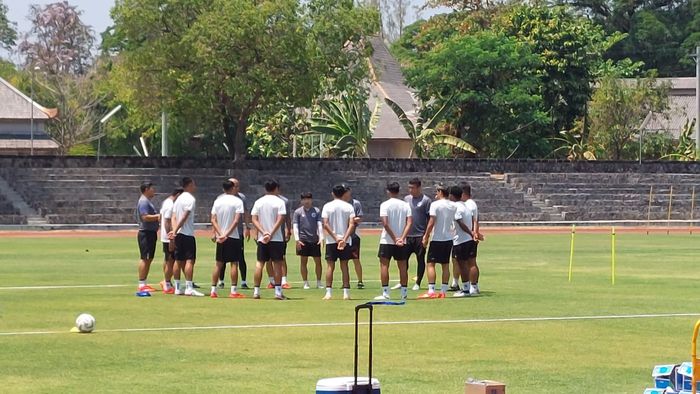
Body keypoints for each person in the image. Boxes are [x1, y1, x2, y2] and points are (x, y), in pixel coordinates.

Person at [375, 182, 412, 301]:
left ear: (388, 191)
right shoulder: (405, 205)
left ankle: (386, 292)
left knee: (384, 265)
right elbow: (409, 222)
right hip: (402, 241)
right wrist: (401, 237)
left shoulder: (385, 205)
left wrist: (395, 237)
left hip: (387, 240)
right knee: (402, 266)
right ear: (398, 191)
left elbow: (385, 223)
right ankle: (404, 292)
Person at [251, 180, 288, 300]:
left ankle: (256, 291)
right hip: (276, 238)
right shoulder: (280, 202)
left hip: (263, 238)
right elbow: (280, 219)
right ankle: (278, 292)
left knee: (259, 264)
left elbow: (254, 219)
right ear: (276, 188)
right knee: (277, 264)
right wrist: (271, 233)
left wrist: (263, 232)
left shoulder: (258, 202)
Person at [418, 184, 456, 299]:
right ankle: (443, 291)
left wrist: (426, 235)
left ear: (440, 192)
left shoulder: (435, 205)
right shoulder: (453, 205)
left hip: (437, 238)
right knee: (445, 265)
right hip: (448, 238)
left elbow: (431, 221)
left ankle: (431, 290)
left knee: (431, 264)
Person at [209, 180, 245, 299]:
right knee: (234, 263)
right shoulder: (237, 201)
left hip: (221, 236)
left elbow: (213, 219)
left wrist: (221, 233)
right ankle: (233, 290)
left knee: (218, 264)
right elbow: (236, 220)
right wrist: (227, 234)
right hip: (233, 236)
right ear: (232, 188)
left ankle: (213, 290)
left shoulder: (218, 201)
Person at [169, 177, 203, 296]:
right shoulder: (190, 199)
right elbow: (184, 217)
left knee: (178, 261)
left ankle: (178, 287)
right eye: (193, 184)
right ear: (189, 185)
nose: (195, 186)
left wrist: (174, 231)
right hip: (187, 233)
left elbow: (173, 216)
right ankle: (189, 287)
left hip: (178, 234)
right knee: (190, 260)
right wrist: (176, 230)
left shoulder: (178, 199)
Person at [321, 184, 356, 300]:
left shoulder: (327, 206)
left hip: (332, 240)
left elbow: (325, 224)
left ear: (333, 193)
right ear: (344, 194)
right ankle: (346, 293)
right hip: (345, 240)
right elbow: (351, 224)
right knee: (345, 266)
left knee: (330, 266)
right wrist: (344, 239)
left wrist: (336, 238)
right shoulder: (349, 207)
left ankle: (328, 293)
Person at [217, 178, 251, 289]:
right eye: (235, 186)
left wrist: (247, 227)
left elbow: (245, 213)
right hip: (222, 233)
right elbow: (215, 217)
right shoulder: (220, 199)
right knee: (222, 259)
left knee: (239, 258)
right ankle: (221, 280)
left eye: (238, 186)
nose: (237, 188)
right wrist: (215, 232)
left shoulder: (241, 198)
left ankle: (243, 281)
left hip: (238, 232)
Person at [399, 178, 431, 291]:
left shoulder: (426, 200)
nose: (410, 190)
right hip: (407, 235)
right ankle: (402, 281)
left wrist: (426, 236)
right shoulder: (406, 199)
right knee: (403, 259)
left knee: (420, 259)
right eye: (409, 187)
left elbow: (429, 219)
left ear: (418, 187)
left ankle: (418, 282)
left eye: (412, 188)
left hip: (419, 235)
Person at [293, 192, 324, 289]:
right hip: (303, 240)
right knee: (303, 261)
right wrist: (297, 239)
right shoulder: (298, 212)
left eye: (308, 199)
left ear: (311, 200)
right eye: (304, 199)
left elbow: (319, 225)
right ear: (301, 200)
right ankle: (305, 282)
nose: (307, 201)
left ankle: (319, 282)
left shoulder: (316, 211)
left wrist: (321, 237)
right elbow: (295, 226)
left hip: (314, 240)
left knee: (318, 261)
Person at [450, 185, 475, 298]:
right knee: (465, 264)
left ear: (451, 195)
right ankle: (467, 287)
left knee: (462, 265)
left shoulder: (457, 207)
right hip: (467, 240)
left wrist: (470, 232)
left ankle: (465, 290)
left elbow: (460, 222)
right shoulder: (465, 206)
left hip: (461, 240)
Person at [136, 182, 160, 293]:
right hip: (145, 233)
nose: (153, 190)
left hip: (150, 232)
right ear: (146, 189)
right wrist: (159, 216)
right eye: (152, 188)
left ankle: (144, 282)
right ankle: (141, 284)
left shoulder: (147, 201)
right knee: (145, 258)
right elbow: (145, 217)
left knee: (149, 258)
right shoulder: (143, 202)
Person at [159, 187, 183, 294]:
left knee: (168, 259)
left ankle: (166, 281)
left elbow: (160, 217)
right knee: (171, 261)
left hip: (166, 236)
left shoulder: (166, 202)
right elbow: (167, 221)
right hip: (169, 237)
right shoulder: (170, 204)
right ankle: (167, 283)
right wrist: (171, 237)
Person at [342, 185, 364, 289]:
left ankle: (360, 280)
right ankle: (345, 282)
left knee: (356, 259)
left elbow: (360, 218)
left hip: (354, 235)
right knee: (343, 261)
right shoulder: (340, 204)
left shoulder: (356, 203)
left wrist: (351, 219)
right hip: (342, 235)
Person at [464, 183, 483, 295]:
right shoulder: (469, 204)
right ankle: (473, 285)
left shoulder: (469, 204)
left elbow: (474, 221)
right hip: (469, 236)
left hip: (469, 237)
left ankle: (473, 286)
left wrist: (474, 234)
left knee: (471, 262)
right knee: (468, 263)